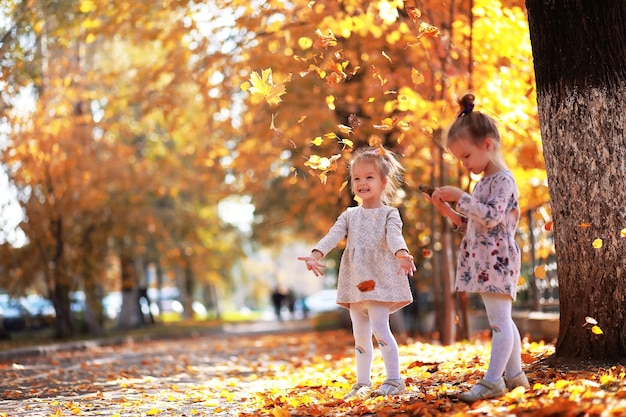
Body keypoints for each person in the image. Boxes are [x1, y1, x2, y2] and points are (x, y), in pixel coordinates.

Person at [423, 93, 530, 401]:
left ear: (487, 145)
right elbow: (468, 224)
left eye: (466, 157)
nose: (464, 164)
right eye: (459, 159)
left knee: (499, 323)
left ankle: (493, 380)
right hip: (483, 263)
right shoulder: (481, 183)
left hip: (497, 261)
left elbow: (492, 217)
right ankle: (515, 376)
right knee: (503, 321)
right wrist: (446, 208)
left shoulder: (503, 180)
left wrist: (461, 196)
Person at [298, 146, 417, 400]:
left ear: (383, 182)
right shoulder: (349, 215)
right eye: (357, 178)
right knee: (360, 336)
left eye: (369, 177)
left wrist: (402, 254)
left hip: (378, 282)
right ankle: (363, 382)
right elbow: (333, 235)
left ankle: (394, 379)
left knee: (380, 329)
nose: (362, 183)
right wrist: (316, 254)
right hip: (355, 283)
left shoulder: (389, 214)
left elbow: (395, 236)